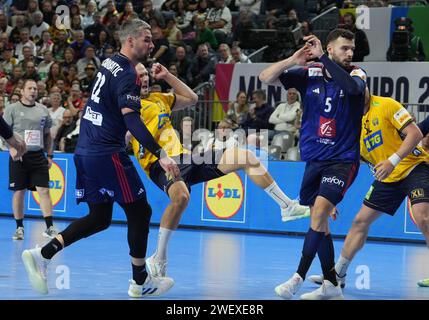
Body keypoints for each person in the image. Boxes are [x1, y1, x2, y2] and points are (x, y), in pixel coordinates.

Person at [21, 19, 180, 298]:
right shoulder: (128, 73)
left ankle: (43, 253)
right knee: (140, 212)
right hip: (107, 153)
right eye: (146, 39)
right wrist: (161, 153)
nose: (152, 44)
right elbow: (131, 119)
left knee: (99, 217)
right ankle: (140, 281)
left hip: (85, 151)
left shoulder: (109, 62)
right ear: (130, 40)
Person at [128, 62, 311, 281]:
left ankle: (286, 206)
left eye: (146, 74)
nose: (146, 78)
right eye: (140, 75)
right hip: (160, 164)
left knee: (247, 157)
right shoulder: (126, 107)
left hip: (186, 158)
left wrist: (167, 75)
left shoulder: (161, 99)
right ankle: (160, 257)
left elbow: (192, 99)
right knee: (181, 198)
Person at [259, 28, 367, 300]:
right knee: (320, 222)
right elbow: (265, 77)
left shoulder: (357, 74)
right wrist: (292, 60)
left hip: (342, 160)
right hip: (314, 160)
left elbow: (352, 89)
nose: (350, 53)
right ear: (330, 48)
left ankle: (298, 277)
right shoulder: (310, 73)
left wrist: (324, 59)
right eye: (344, 48)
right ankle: (331, 284)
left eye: (351, 49)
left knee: (318, 213)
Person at [308, 90, 429, 289]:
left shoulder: (387, 105)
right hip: (387, 176)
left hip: (413, 166)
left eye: (361, 85)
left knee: (423, 216)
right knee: (360, 221)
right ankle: (338, 273)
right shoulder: (350, 124)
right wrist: (331, 200)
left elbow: (415, 133)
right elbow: (345, 165)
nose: (357, 90)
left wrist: (393, 160)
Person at [3, 79, 58, 240]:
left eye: (35, 88)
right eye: (30, 88)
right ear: (22, 91)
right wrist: (12, 149)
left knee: (44, 190)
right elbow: (4, 133)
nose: (33, 91)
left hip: (38, 155)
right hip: (19, 157)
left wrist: (50, 155)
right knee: (19, 191)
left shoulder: (42, 110)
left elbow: (48, 135)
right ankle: (19, 228)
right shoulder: (12, 109)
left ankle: (49, 227)